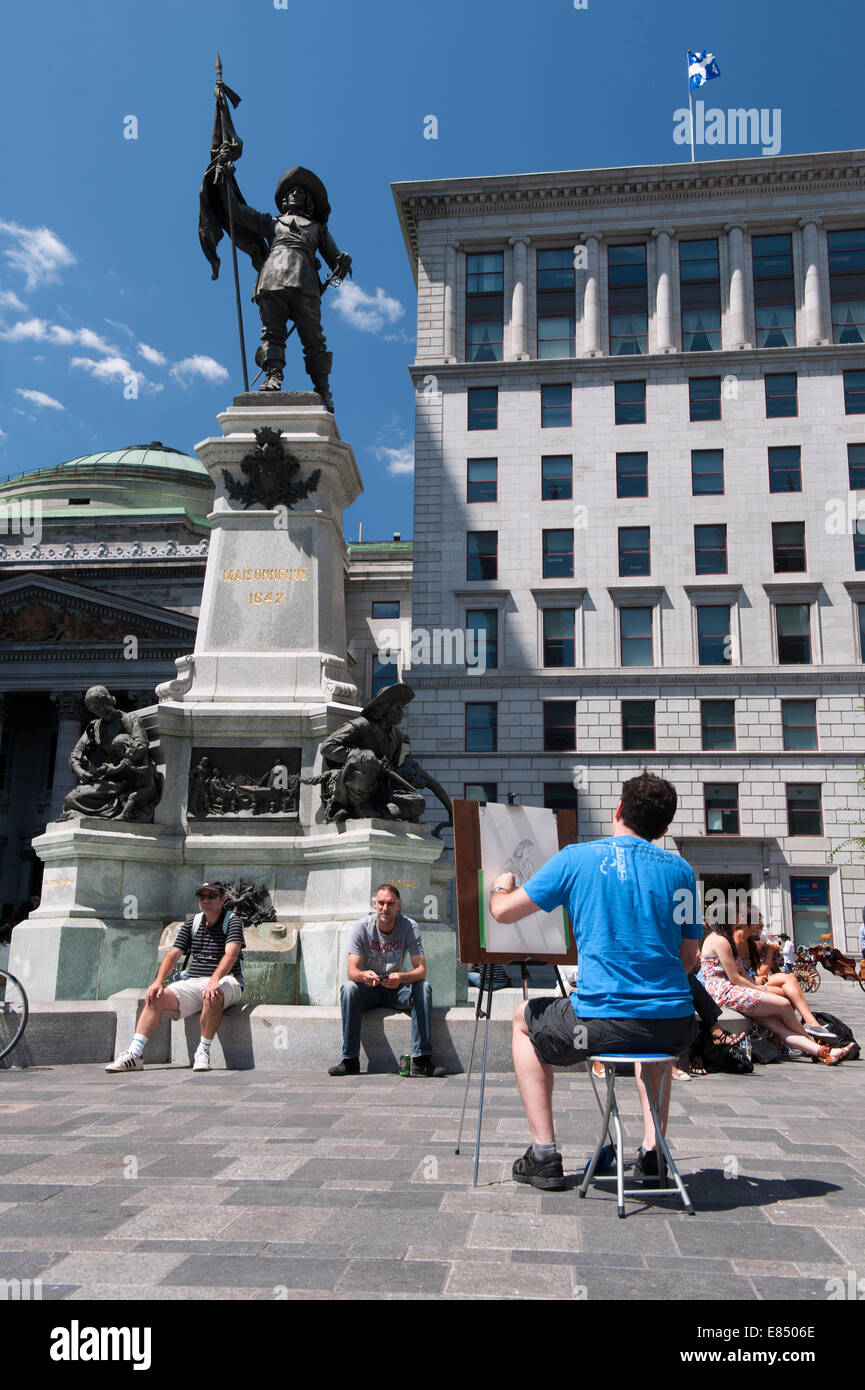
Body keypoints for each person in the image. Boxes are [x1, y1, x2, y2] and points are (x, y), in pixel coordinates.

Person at [489, 771, 701, 1191]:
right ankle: (652, 1151)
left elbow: (503, 912)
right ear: (663, 828)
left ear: (619, 810)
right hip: (676, 1025)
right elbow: (690, 957)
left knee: (521, 1020)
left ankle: (544, 1154)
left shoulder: (577, 858)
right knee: (651, 1038)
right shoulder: (681, 871)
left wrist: (500, 886)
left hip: (600, 1026)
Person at [217, 161, 351, 407]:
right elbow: (237, 212)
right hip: (272, 279)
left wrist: (341, 263)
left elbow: (336, 263)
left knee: (314, 339)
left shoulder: (318, 229)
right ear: (284, 200)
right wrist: (226, 181)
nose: (294, 194)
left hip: (306, 281)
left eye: (300, 192)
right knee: (272, 332)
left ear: (308, 202)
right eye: (291, 192)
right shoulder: (272, 222)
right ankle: (273, 376)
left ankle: (322, 389)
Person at [105, 881, 244, 1074]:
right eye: (202, 897)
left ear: (222, 899)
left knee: (213, 993)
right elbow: (173, 954)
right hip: (194, 982)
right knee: (156, 996)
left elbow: (231, 954)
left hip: (227, 980)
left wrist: (214, 980)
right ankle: (134, 1054)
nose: (206, 900)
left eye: (211, 896)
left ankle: (203, 1051)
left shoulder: (233, 920)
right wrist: (158, 981)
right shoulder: (192, 923)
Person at [700, 904, 854, 1063]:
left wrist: (757, 987)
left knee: (778, 1026)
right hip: (725, 993)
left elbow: (742, 973)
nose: (740, 918)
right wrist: (760, 990)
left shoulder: (725, 939)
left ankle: (820, 1051)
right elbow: (735, 978)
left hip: (733, 991)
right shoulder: (720, 941)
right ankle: (812, 1035)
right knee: (784, 1004)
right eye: (736, 915)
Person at [328, 883, 445, 1078]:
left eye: (390, 904)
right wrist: (364, 975)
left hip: (397, 988)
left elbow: (422, 970)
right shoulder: (361, 928)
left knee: (423, 987)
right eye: (381, 903)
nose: (385, 908)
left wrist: (401, 978)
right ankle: (350, 1060)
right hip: (369, 988)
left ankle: (422, 1060)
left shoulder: (409, 926)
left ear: (398, 906)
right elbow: (352, 971)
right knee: (348, 989)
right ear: (374, 904)